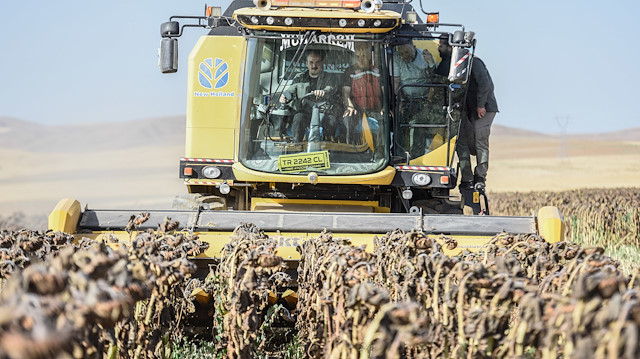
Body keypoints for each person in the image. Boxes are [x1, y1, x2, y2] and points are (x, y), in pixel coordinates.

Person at [438, 36, 499, 190]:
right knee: (463, 141)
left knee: (480, 140)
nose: (439, 48)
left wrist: (480, 105)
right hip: (468, 109)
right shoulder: (451, 64)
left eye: (441, 45)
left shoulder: (473, 62)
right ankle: (468, 178)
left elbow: (485, 84)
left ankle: (480, 176)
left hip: (484, 108)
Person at [392, 38, 440, 158]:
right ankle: (400, 155)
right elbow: (396, 82)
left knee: (419, 129)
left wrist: (430, 63)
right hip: (404, 99)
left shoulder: (425, 57)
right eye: (402, 53)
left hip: (424, 100)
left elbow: (434, 79)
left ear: (413, 47)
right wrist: (396, 101)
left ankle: (417, 156)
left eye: (407, 52)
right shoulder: (396, 58)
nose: (404, 56)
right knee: (401, 128)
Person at [279, 49, 340, 142]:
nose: (314, 66)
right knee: (298, 118)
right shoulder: (300, 77)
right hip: (305, 112)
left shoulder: (329, 77)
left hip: (324, 112)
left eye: (317, 62)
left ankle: (328, 147)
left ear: (322, 63)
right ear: (307, 63)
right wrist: (285, 96)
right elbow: (291, 90)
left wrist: (323, 92)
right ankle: (296, 146)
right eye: (311, 62)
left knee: (332, 121)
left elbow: (330, 88)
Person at [341, 42, 383, 145]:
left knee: (386, 121)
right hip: (357, 109)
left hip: (375, 109)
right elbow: (345, 93)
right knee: (347, 119)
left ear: (369, 55)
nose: (360, 59)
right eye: (358, 56)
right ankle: (351, 149)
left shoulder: (378, 70)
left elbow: (385, 91)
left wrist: (385, 107)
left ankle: (380, 152)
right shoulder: (350, 71)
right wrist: (350, 106)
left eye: (363, 56)